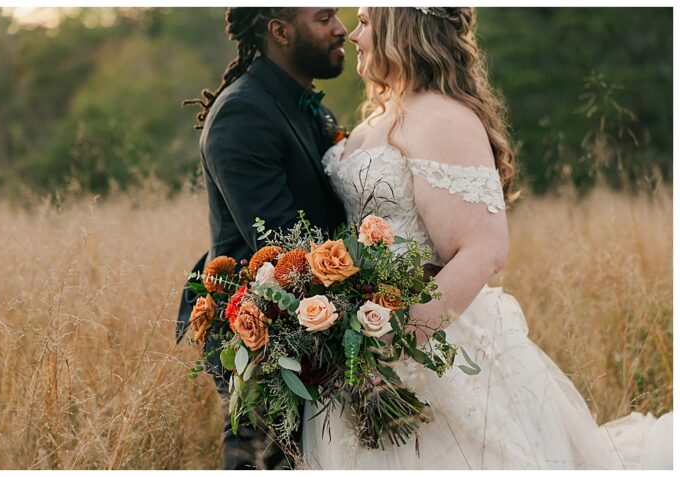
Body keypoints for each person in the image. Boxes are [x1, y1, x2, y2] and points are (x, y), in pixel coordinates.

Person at [303, 7, 672, 469]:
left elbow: (484, 249)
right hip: (362, 348)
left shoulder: (442, 118)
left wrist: (398, 341)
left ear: (400, 30)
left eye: (365, 22)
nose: (353, 35)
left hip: (428, 347)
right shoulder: (381, 116)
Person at [178, 7, 349, 469]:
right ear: (280, 31)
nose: (342, 29)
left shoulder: (310, 106)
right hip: (258, 328)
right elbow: (278, 243)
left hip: (310, 320)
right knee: (264, 460)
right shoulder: (242, 113)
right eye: (324, 17)